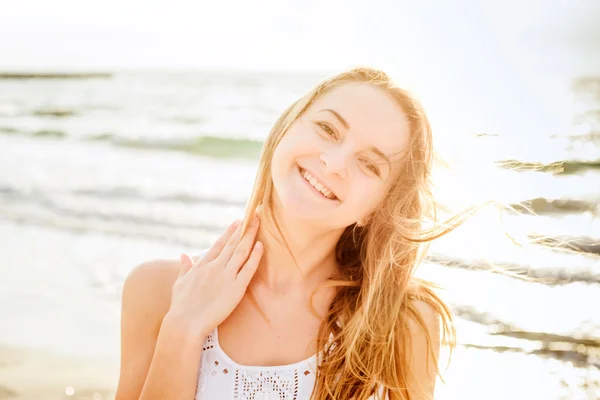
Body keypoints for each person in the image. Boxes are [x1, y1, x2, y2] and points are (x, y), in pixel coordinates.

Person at [115, 67, 467, 400]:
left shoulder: (402, 322)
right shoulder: (158, 290)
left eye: (369, 164)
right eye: (328, 130)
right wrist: (182, 329)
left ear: (377, 208)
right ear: (287, 127)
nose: (334, 162)